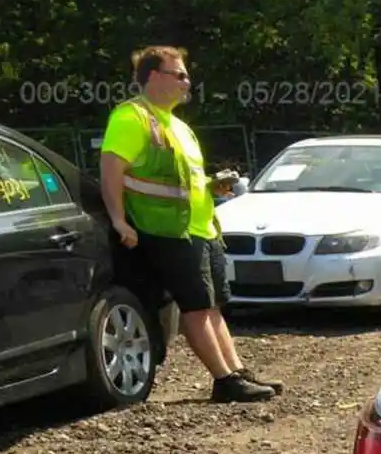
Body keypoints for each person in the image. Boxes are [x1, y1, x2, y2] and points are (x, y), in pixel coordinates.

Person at [99, 46, 278, 402]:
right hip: (168, 229)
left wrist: (212, 185)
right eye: (179, 74)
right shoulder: (131, 117)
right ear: (153, 77)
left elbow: (183, 179)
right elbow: (111, 170)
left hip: (202, 229)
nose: (187, 81)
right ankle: (225, 380)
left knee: (212, 305)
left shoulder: (179, 126)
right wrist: (119, 220)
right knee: (195, 306)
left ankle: (236, 371)